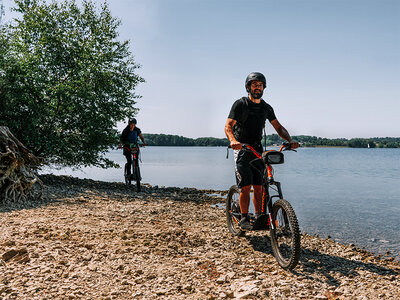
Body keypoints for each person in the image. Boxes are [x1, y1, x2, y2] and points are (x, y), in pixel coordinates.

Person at [224, 72, 299, 230]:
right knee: (245, 185)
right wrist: (233, 141)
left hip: (257, 148)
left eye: (260, 85)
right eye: (254, 84)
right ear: (248, 87)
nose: (257, 87)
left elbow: (278, 127)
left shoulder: (266, 107)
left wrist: (289, 140)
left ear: (264, 87)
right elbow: (228, 125)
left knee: (259, 185)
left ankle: (259, 216)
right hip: (242, 147)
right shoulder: (240, 104)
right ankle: (244, 217)